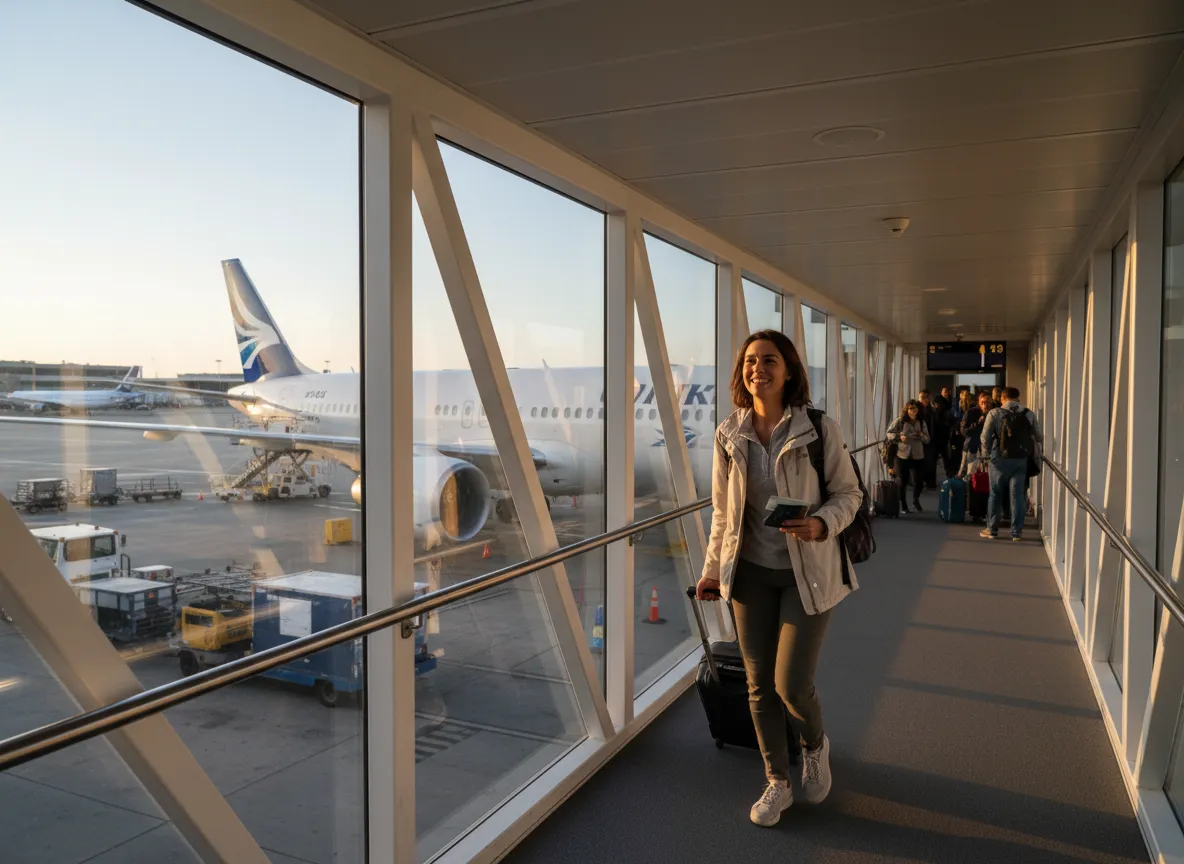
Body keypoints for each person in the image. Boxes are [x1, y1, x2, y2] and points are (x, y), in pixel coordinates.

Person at [696, 329, 861, 828]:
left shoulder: (818, 429)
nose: (757, 368)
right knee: (758, 687)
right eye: (750, 361)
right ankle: (777, 781)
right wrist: (710, 571)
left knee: (791, 684)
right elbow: (723, 515)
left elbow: (850, 495)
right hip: (749, 576)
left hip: (806, 574)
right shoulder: (730, 435)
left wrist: (820, 523)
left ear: (788, 370)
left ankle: (814, 746)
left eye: (769, 360)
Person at [979, 386, 1043, 541]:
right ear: (1018, 398)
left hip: (998, 460)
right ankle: (1016, 533)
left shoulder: (994, 413)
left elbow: (984, 438)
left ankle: (992, 530)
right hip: (1020, 460)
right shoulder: (1028, 414)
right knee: (1017, 495)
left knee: (995, 493)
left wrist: (986, 457)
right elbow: (1039, 436)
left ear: (1002, 398)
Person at [886, 400, 930, 513]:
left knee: (919, 481)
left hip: (917, 454)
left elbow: (927, 439)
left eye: (914, 408)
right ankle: (904, 505)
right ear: (906, 410)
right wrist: (899, 437)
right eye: (910, 408)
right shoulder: (900, 421)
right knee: (902, 481)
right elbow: (889, 433)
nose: (913, 411)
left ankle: (915, 499)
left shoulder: (921, 422)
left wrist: (920, 435)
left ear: (918, 410)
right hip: (902, 455)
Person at [957, 390, 992, 477]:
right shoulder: (971, 412)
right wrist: (977, 423)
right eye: (983, 402)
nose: (985, 405)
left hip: (988, 449)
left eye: (988, 402)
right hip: (972, 448)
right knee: (968, 474)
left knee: (985, 475)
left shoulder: (993, 413)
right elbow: (964, 431)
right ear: (979, 403)